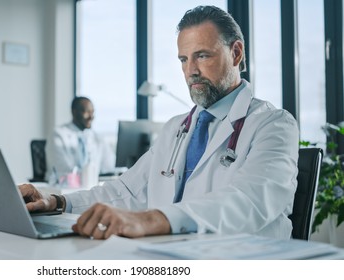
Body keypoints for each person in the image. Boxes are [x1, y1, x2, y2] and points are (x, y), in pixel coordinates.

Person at [20, 5, 299, 240]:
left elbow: (248, 202)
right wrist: (57, 202)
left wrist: (149, 220)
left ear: (236, 53)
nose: (191, 71)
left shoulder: (273, 125)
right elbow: (125, 191)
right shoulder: (176, 129)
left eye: (202, 55)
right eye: (183, 59)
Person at [45, 96, 115, 182]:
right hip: (63, 187)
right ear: (74, 112)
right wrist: (89, 176)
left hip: (91, 187)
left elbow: (109, 167)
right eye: (87, 112)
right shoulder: (58, 135)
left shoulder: (97, 138)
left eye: (92, 112)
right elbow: (62, 169)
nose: (91, 117)